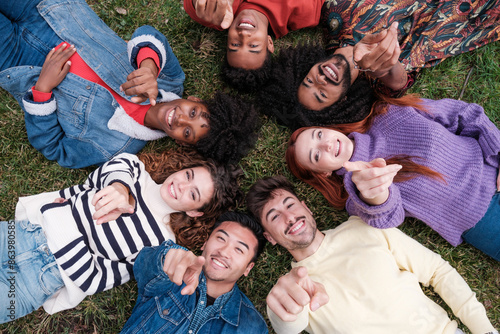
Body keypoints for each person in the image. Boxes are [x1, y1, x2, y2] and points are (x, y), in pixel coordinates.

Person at [0, 0, 259, 168]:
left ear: (181, 143)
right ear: (198, 101)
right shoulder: (170, 79)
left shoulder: (113, 148)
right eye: (194, 113)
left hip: (17, 61)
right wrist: (148, 67)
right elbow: (149, 35)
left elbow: (55, 148)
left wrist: (42, 91)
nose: (181, 120)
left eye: (188, 132)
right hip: (52, 10)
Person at [0, 149, 241, 323]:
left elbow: (93, 279)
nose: (181, 186)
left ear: (194, 211)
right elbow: (119, 166)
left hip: (40, 280)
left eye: (193, 194)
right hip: (23, 235)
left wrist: (60, 216)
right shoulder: (135, 172)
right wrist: (120, 189)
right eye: (188, 176)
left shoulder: (160, 244)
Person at [246, 176, 498, 334]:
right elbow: (287, 327)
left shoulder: (363, 227)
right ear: (270, 238)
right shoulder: (295, 287)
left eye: (290, 205)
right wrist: (284, 312)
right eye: (274, 217)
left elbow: (437, 271)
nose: (289, 217)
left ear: (307, 208)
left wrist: (484, 330)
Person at [285, 96, 500, 260]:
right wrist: (375, 194)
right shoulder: (355, 194)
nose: (326, 145)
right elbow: (388, 215)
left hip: (493, 164)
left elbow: (463, 114)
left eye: (319, 134)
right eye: (316, 155)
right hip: (482, 218)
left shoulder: (387, 112)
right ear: (323, 173)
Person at [255, 0, 500, 129]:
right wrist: (383, 67)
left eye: (308, 81)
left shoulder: (334, 12)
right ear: (340, 101)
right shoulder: (378, 82)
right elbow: (398, 82)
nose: (319, 81)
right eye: (321, 95)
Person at [120, 211, 268, 333]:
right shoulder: (167, 277)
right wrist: (167, 257)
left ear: (248, 268)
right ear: (205, 244)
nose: (224, 252)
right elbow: (144, 264)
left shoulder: (252, 327)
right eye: (221, 238)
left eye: (239, 249)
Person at [183, 0, 324, 91]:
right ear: (269, 43)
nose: (244, 35)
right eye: (253, 46)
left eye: (235, 44)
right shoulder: (304, 11)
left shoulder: (214, 13)